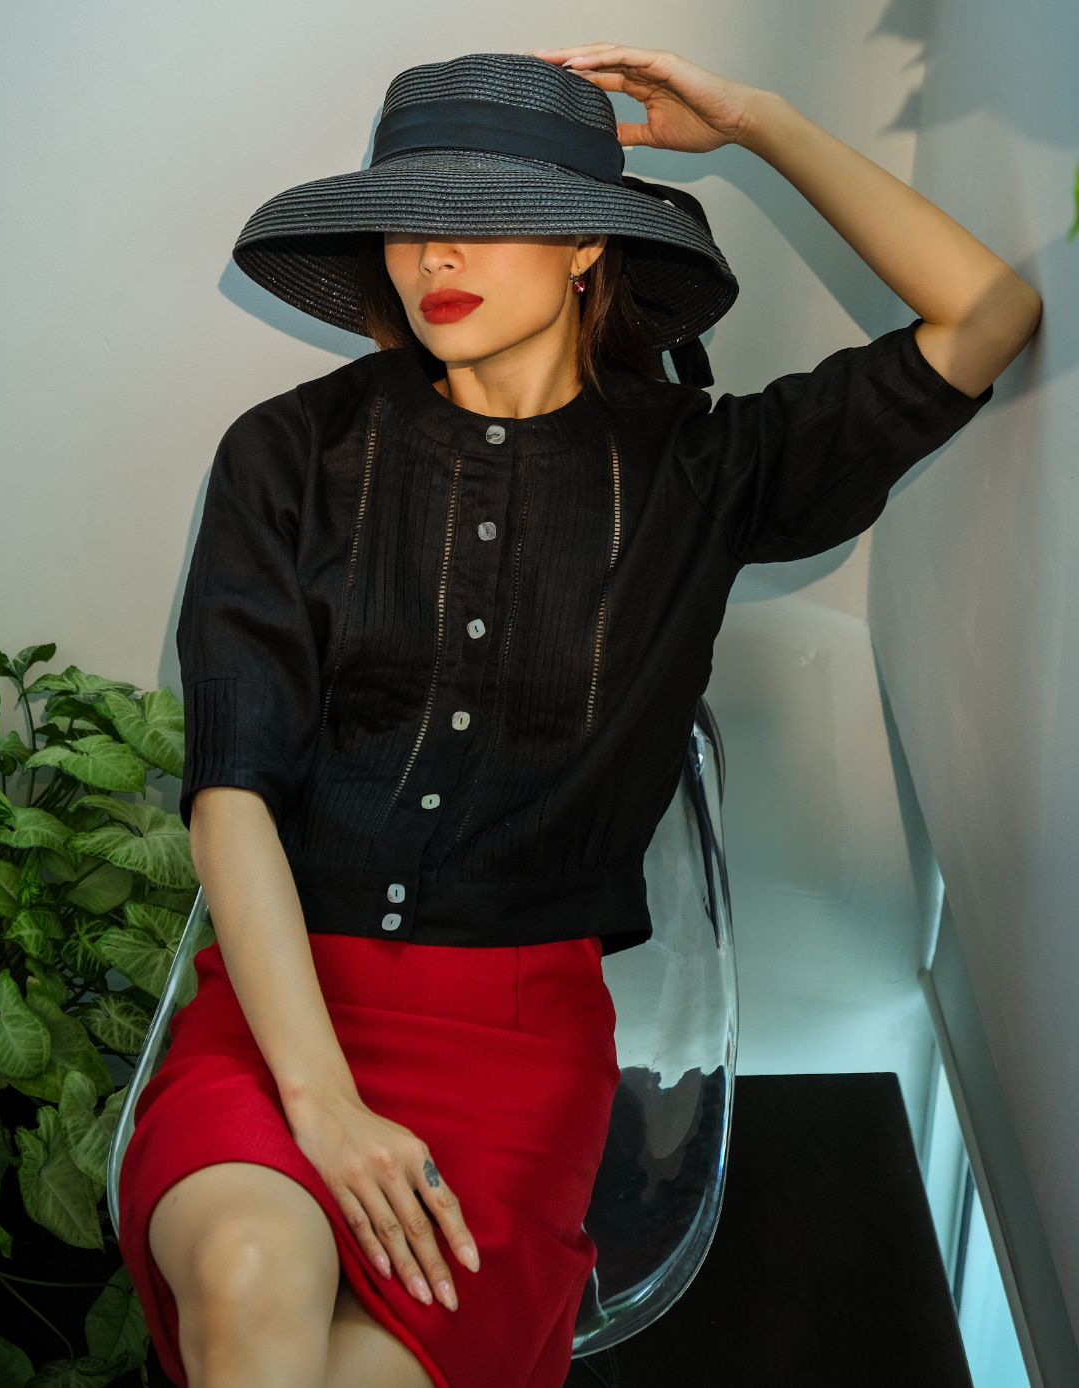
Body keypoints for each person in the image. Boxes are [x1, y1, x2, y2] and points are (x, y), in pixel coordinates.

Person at [117, 45, 1040, 1388]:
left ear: (590, 247)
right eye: (409, 222)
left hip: (512, 1055)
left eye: (487, 216)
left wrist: (762, 124)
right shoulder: (290, 452)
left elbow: (991, 312)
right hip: (278, 1018)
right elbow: (231, 789)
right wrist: (319, 1103)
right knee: (252, 1277)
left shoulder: (707, 468)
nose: (435, 257)